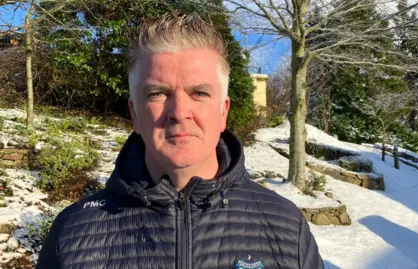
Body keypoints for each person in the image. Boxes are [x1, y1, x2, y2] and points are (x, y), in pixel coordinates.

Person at [36, 13, 323, 269]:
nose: (179, 113)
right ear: (135, 113)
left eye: (199, 93)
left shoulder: (285, 228)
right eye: (157, 94)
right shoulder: (72, 235)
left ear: (223, 111)